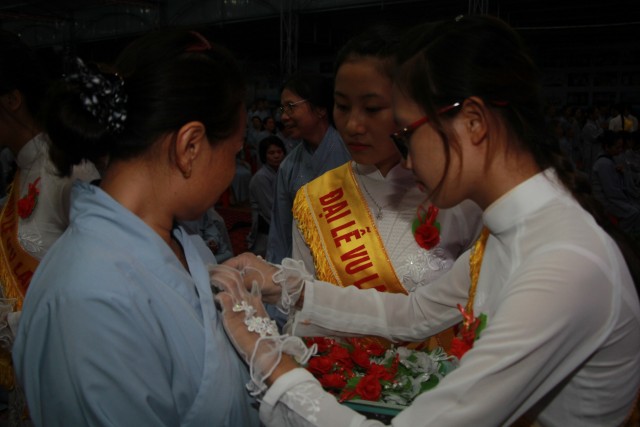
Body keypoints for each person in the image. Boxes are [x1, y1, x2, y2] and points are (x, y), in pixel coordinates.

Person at [213, 15, 640, 426]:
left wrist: (267, 357)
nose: (406, 158)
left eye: (407, 133)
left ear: (473, 122)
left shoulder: (561, 263)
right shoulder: (514, 232)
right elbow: (415, 314)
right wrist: (288, 286)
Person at [12, 30, 260, 426]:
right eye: (235, 151)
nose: (233, 170)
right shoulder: (89, 299)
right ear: (190, 147)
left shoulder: (183, 244)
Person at [290, 26, 482, 349]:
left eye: (373, 109)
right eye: (342, 106)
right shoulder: (314, 198)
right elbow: (304, 317)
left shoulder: (458, 196)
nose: (353, 125)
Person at [0, 30, 100, 424]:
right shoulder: (21, 172)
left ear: (12, 99)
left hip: (71, 385)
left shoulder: (69, 171)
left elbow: (100, 293)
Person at [266, 72, 351, 264]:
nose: (284, 116)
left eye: (291, 107)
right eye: (282, 109)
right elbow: (281, 231)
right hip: (305, 267)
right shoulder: (288, 167)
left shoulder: (352, 153)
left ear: (320, 109)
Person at [591, 130, 640, 238]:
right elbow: (611, 191)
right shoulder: (604, 163)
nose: (620, 150)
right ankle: (619, 237)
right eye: (617, 147)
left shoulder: (610, 160)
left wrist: (623, 173)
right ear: (607, 147)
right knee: (633, 212)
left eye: (621, 147)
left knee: (636, 207)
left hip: (612, 197)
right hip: (605, 201)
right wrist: (627, 200)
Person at [248, 135, 286, 257]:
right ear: (264, 156)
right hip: (266, 226)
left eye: (279, 152)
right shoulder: (261, 178)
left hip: (281, 216)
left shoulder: (282, 171)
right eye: (271, 153)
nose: (276, 156)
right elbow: (269, 209)